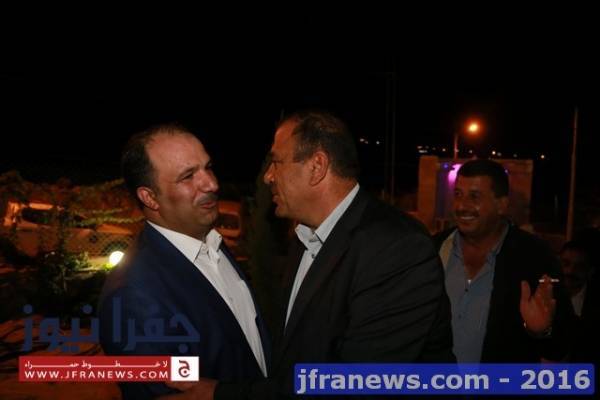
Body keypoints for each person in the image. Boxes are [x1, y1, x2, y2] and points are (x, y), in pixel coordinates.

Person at [167, 110, 455, 399]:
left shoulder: (397, 248)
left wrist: (219, 394)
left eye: (276, 162)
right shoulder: (307, 237)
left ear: (317, 166)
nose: (268, 176)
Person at [98, 123, 269, 399]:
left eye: (208, 167)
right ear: (150, 197)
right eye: (188, 176)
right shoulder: (133, 296)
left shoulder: (211, 242)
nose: (212, 184)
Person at [434, 159, 574, 363]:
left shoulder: (535, 257)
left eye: (474, 196)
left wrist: (540, 331)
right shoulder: (433, 249)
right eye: (458, 194)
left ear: (501, 205)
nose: (462, 206)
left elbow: (561, 345)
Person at [559, 240, 598, 362]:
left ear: (590, 271)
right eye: (565, 263)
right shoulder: (541, 294)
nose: (570, 271)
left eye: (579, 267)